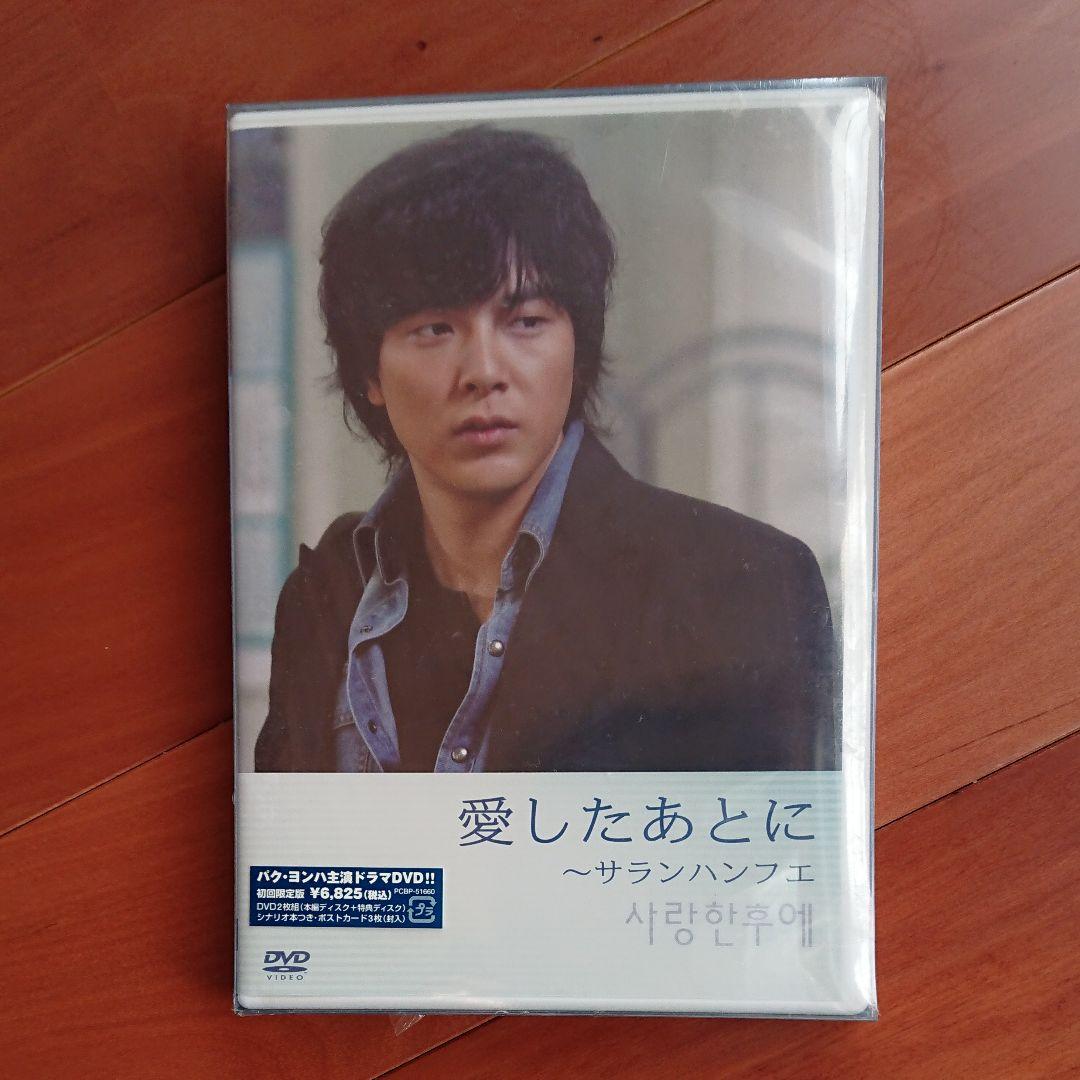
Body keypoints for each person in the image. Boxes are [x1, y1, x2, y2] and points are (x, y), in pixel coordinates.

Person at [254, 126, 837, 774]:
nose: (483, 372)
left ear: (577, 347)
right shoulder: (324, 595)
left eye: (526, 321)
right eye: (435, 329)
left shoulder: (741, 584)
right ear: (370, 372)